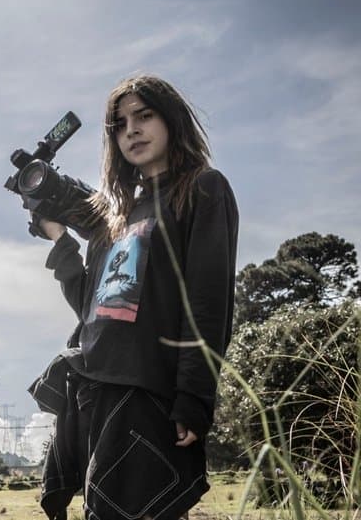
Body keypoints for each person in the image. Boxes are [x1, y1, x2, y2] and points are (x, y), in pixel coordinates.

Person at [27, 75, 239, 520]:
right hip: (95, 391)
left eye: (144, 116)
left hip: (150, 393)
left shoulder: (203, 189)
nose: (132, 131)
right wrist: (61, 241)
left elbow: (208, 303)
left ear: (172, 120)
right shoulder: (115, 217)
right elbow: (94, 309)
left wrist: (194, 398)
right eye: (120, 125)